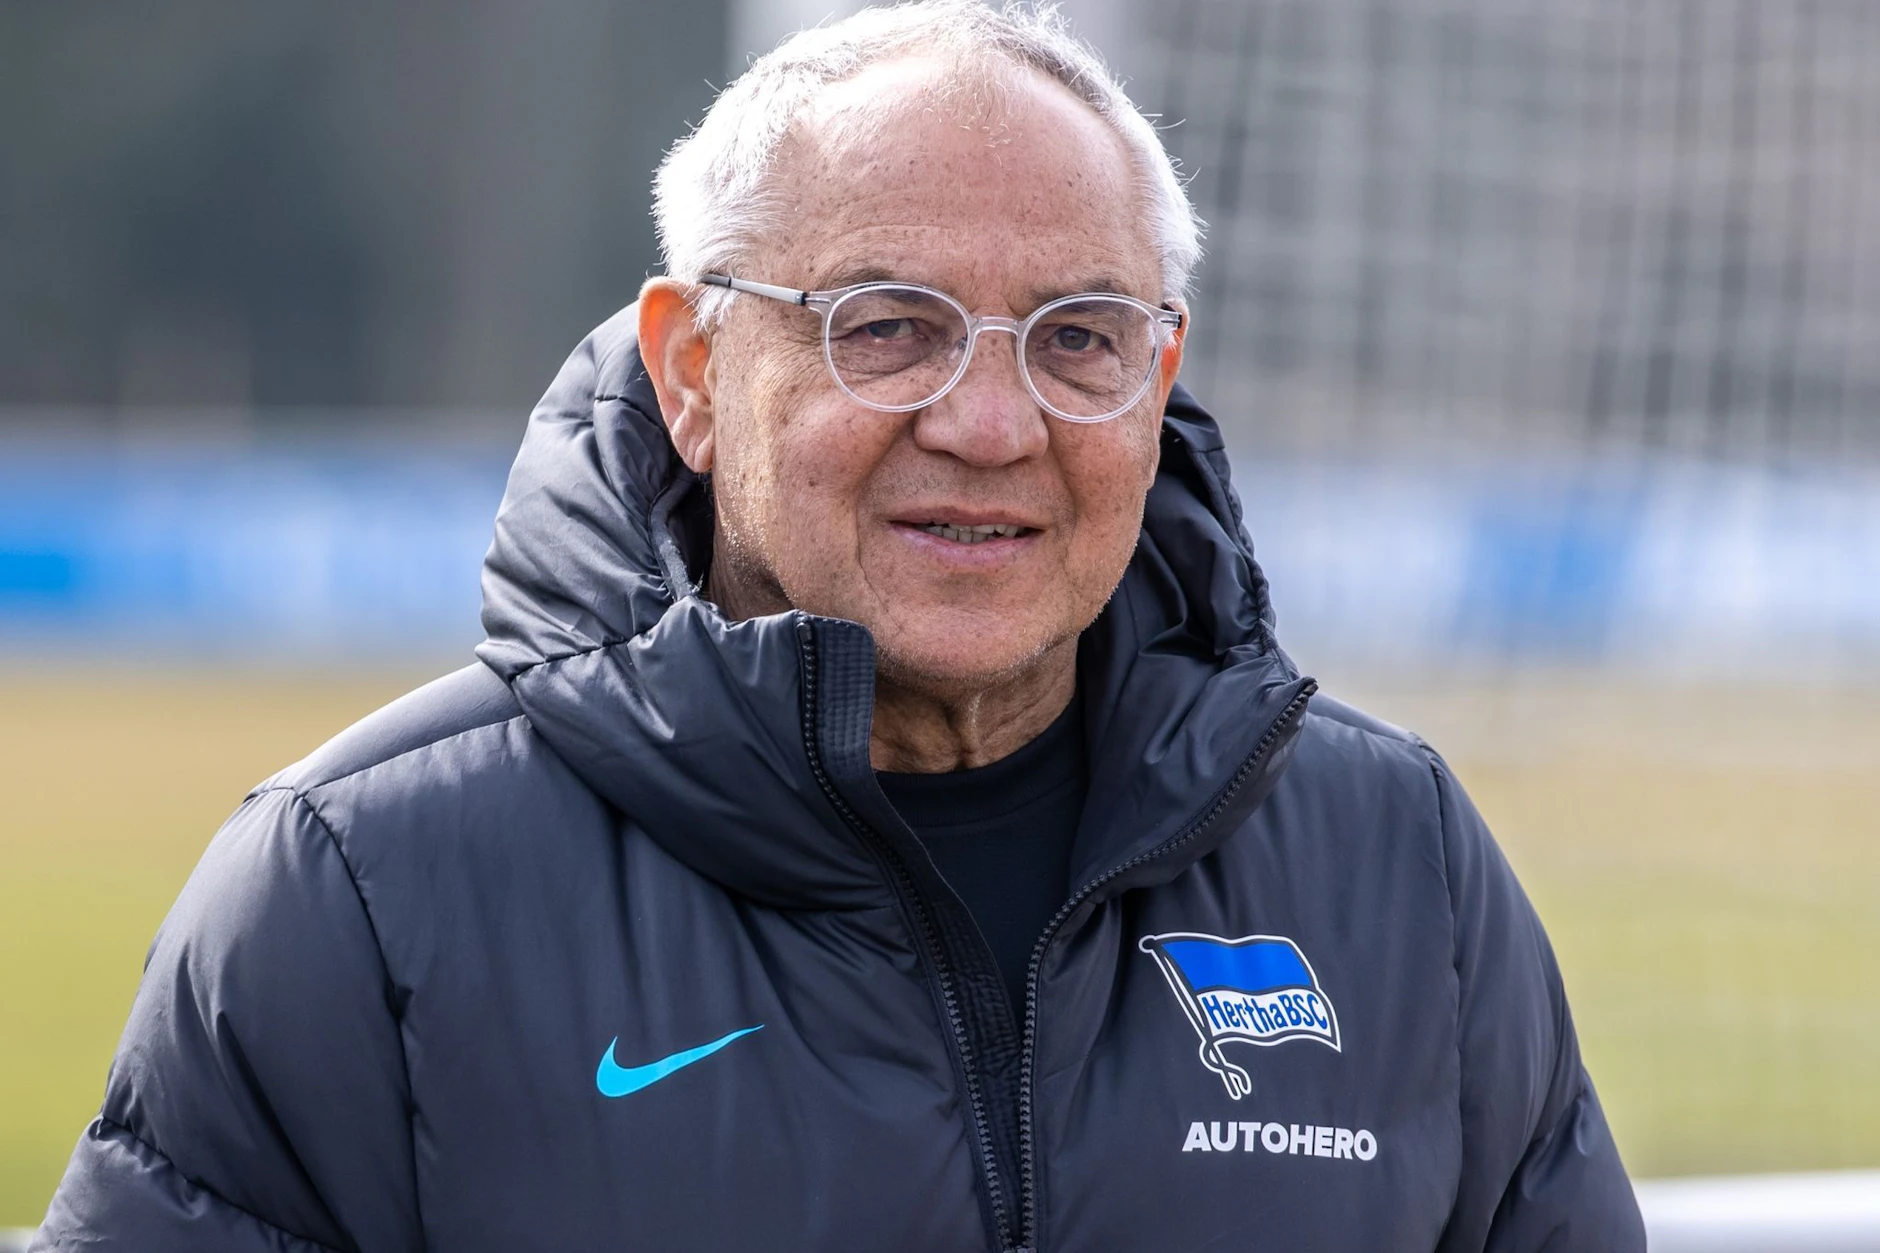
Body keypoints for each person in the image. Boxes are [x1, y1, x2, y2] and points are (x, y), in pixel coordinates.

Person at [33, 3, 1644, 1250]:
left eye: (1079, 338)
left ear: (1160, 380)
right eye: (888, 328)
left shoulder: (1400, 865)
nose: (992, 424)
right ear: (692, 373)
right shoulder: (359, 891)